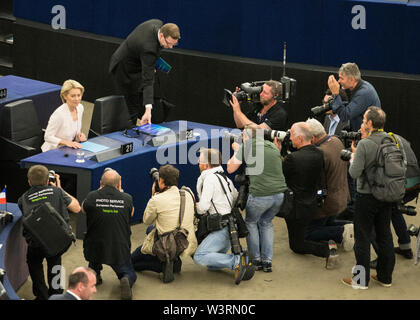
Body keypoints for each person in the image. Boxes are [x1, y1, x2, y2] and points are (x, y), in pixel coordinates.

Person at [341, 107, 395, 289]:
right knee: (385, 235)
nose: (362, 122)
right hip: (387, 195)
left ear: (370, 123)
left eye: (364, 120)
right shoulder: (391, 140)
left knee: (362, 237)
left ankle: (360, 281)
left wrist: (353, 157)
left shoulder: (365, 144)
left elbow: (354, 173)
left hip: (367, 197)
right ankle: (385, 277)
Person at [274, 122, 339, 269]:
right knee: (302, 235)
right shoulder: (319, 153)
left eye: (291, 135)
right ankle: (328, 244)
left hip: (295, 207)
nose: (289, 138)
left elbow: (279, 175)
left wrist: (278, 154)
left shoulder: (293, 159)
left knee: (297, 245)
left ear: (300, 138)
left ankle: (326, 250)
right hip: (311, 203)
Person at [227, 124, 287, 272]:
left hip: (260, 196)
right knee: (266, 223)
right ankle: (267, 262)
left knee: (251, 223)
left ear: (246, 136)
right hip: (279, 195)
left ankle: (256, 261)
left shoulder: (247, 146)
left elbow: (230, 167)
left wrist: (238, 151)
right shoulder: (272, 146)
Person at [18, 165, 81, 300]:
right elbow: (76, 208)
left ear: (29, 182)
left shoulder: (22, 199)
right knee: (55, 263)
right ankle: (56, 294)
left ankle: (41, 295)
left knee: (34, 263)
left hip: (36, 243)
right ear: (48, 181)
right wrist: (59, 188)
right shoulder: (57, 192)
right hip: (58, 241)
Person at [193, 148, 254, 284]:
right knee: (211, 265)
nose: (198, 162)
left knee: (200, 256)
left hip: (220, 229)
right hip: (231, 227)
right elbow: (235, 197)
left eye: (200, 160)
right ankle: (233, 258)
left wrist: (194, 206)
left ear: (207, 165)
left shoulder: (208, 179)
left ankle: (237, 260)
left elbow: (202, 208)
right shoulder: (224, 177)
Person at [131, 165, 197, 283]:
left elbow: (146, 220)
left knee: (132, 261)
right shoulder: (188, 193)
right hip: (185, 240)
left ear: (161, 181)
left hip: (167, 244)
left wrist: (153, 196)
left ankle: (162, 265)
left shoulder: (157, 200)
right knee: (151, 229)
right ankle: (174, 260)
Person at [109, 19, 180, 126]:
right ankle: (129, 131)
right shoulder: (148, 49)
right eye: (169, 43)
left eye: (174, 44)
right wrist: (148, 110)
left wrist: (148, 64)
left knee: (150, 90)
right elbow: (148, 81)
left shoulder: (157, 23)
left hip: (139, 60)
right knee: (131, 102)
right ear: (161, 36)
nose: (170, 47)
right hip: (124, 68)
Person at [82, 168, 137, 300]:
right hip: (118, 247)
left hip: (95, 246)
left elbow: (83, 209)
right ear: (119, 184)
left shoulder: (91, 196)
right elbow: (131, 213)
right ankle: (126, 278)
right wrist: (120, 192)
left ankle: (94, 275)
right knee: (129, 272)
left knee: (94, 262)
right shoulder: (127, 198)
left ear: (101, 182)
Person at [305, 118, 354, 250]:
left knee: (307, 233)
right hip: (342, 198)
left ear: (313, 137)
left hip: (328, 203)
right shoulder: (336, 140)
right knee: (328, 223)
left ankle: (342, 232)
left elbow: (317, 183)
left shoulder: (320, 153)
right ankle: (350, 227)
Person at [328, 62, 381, 132]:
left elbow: (345, 116)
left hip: (369, 138)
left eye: (341, 78)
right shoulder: (360, 87)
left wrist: (335, 94)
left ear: (352, 79)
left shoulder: (364, 93)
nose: (338, 81)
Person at [42, 79, 87, 152]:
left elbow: (74, 130)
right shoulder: (59, 114)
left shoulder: (80, 107)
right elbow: (47, 137)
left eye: (79, 95)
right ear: (65, 96)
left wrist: (79, 136)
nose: (77, 99)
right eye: (73, 96)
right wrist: (67, 143)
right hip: (53, 150)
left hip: (70, 148)